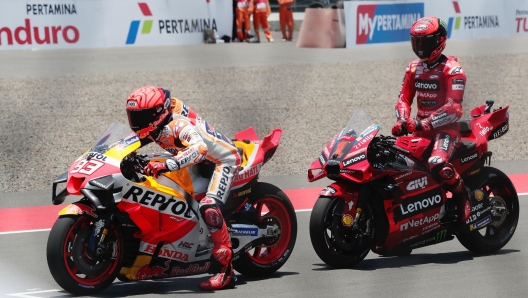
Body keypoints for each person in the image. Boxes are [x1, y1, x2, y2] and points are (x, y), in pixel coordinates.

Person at [125, 86, 241, 290]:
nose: (136, 123)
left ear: (157, 114)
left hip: (221, 160)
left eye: (140, 117)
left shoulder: (178, 126)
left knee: (208, 207)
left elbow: (200, 149)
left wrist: (168, 164)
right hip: (197, 161)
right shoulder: (154, 124)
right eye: (133, 117)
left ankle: (226, 270)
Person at [391, 16, 473, 224]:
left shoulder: (453, 70)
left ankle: (464, 196)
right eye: (416, 42)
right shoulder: (413, 68)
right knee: (396, 166)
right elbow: (404, 98)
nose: (419, 47)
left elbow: (454, 108)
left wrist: (424, 123)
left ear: (439, 41)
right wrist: (402, 120)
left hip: (446, 131)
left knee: (436, 163)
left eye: (424, 42)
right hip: (419, 132)